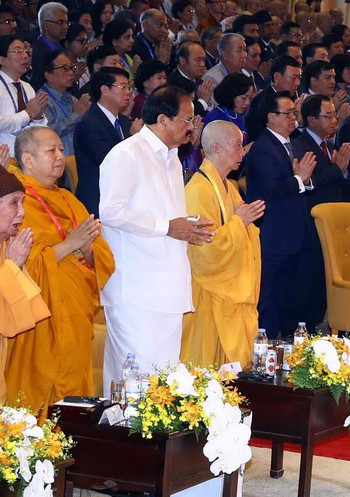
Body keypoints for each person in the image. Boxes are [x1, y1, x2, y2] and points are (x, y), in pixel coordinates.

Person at [99, 87, 214, 390]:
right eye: (186, 120)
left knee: (162, 379)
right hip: (135, 289)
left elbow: (167, 215)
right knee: (134, 383)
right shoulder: (126, 154)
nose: (192, 127)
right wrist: (167, 226)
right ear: (162, 119)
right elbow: (110, 212)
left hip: (168, 284)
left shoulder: (172, 158)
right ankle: (124, 438)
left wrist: (189, 226)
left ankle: (150, 438)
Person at [5, 127, 114, 410]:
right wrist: (72, 243)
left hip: (73, 307)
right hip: (39, 317)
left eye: (61, 150)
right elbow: (18, 266)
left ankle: (72, 440)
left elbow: (100, 255)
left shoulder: (68, 198)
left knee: (74, 382)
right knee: (40, 384)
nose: (59, 157)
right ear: (27, 160)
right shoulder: (15, 202)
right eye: (51, 151)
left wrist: (86, 245)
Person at [181, 121, 264, 368]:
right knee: (205, 369)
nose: (243, 152)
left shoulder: (229, 187)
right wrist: (240, 222)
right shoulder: (197, 190)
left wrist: (242, 223)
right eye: (237, 145)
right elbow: (206, 251)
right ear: (216, 148)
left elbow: (243, 232)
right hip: (209, 295)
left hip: (229, 290)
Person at [245, 91, 319, 338]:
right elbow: (272, 191)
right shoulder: (264, 148)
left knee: (287, 296)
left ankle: (280, 345)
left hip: (293, 234)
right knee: (269, 298)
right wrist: (300, 179)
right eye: (287, 113)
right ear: (270, 117)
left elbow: (298, 184)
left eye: (294, 113)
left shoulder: (288, 144)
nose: (293, 119)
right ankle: (262, 349)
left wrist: (303, 181)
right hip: (273, 236)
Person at [0, 165, 50, 404]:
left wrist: (14, 265)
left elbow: (27, 312)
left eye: (23, 203)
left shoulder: (6, 248)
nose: (22, 213)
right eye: (14, 203)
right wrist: (11, 267)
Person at [74, 68, 137, 217]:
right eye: (122, 87)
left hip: (122, 196)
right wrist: (133, 140)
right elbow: (108, 162)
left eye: (129, 87)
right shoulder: (89, 123)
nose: (128, 92)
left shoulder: (123, 121)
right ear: (105, 90)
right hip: (98, 200)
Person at [292, 94, 350, 207]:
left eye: (335, 114)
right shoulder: (299, 146)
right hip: (315, 212)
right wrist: (336, 168)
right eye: (328, 116)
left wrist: (343, 171)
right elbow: (310, 183)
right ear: (312, 120)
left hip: (336, 209)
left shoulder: (330, 146)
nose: (334, 120)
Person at [0, 35, 48, 150]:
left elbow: (40, 126)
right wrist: (28, 114)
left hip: (28, 154)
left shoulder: (27, 87)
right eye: (18, 51)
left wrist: (38, 116)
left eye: (26, 51)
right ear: (2, 60)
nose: (25, 56)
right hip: (5, 159)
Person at [40, 51, 89, 157]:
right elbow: (49, 133)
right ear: (49, 75)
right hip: (57, 161)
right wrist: (76, 115)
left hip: (77, 158)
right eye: (65, 68)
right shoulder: (42, 100)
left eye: (72, 68)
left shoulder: (71, 98)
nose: (71, 73)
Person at [204, 72, 255, 143]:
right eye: (243, 98)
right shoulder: (214, 118)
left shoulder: (238, 116)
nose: (247, 102)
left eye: (250, 98)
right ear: (231, 95)